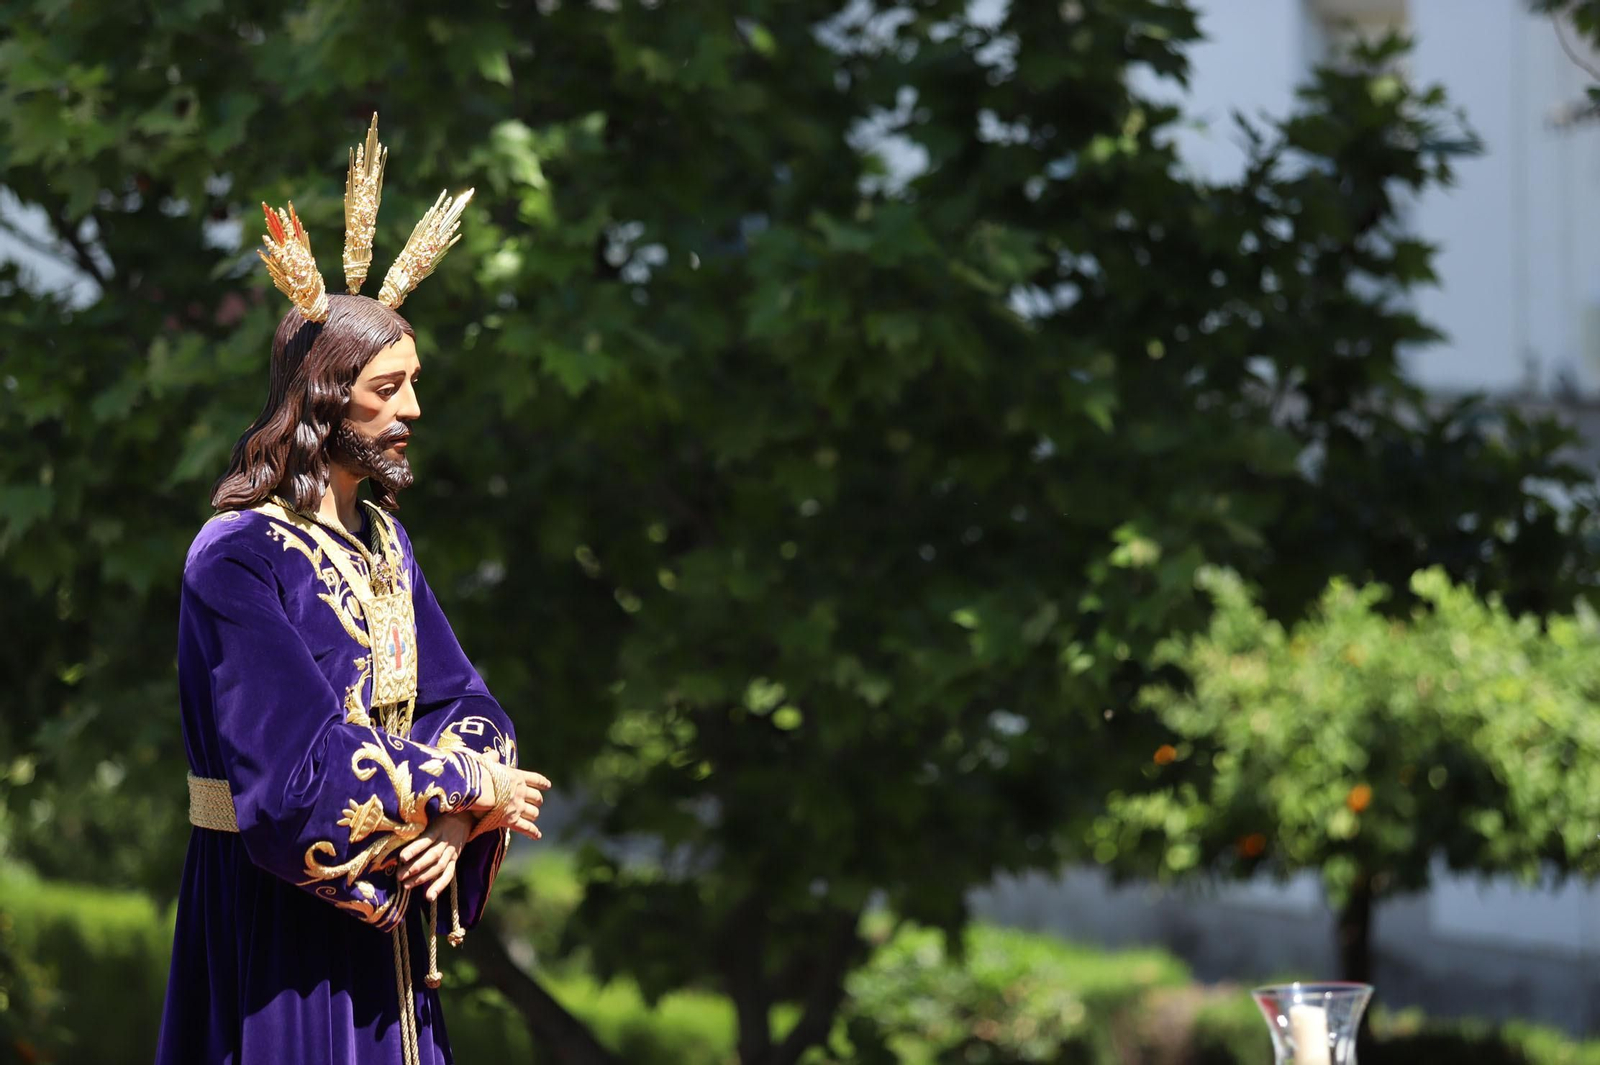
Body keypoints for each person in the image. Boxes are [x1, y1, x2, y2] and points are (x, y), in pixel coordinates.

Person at [155, 115, 550, 1065]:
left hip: (397, 922)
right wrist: (469, 781)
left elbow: (467, 702)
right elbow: (295, 778)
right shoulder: (237, 556)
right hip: (276, 926)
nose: (412, 409)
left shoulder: (381, 539)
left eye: (413, 383)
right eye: (388, 387)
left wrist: (458, 823)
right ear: (324, 398)